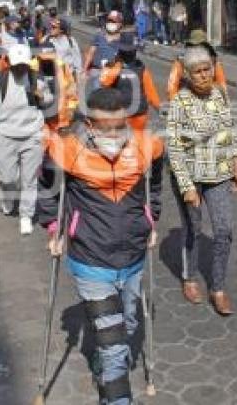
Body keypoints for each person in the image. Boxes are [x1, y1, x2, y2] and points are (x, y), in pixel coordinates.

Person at [39, 87, 164, 405]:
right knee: (114, 343)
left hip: (133, 254)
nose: (114, 134)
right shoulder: (65, 149)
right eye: (106, 128)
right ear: (90, 125)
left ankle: (104, 364)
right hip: (90, 256)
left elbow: (156, 184)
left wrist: (153, 219)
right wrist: (54, 228)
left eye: (119, 126)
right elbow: (47, 189)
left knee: (130, 322)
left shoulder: (146, 146)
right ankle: (117, 398)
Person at [167, 46, 237, 316]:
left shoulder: (220, 94)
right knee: (193, 228)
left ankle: (218, 287)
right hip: (190, 176)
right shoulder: (180, 102)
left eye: (206, 70)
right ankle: (189, 278)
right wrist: (187, 187)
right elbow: (174, 148)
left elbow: (229, 130)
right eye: (197, 72)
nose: (203, 76)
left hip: (219, 173)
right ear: (187, 75)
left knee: (224, 230)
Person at [0, 45, 46, 236]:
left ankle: (26, 215)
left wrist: (43, 97)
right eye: (17, 65)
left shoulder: (37, 79)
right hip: (7, 136)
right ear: (9, 63)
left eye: (24, 65)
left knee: (29, 180)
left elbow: (48, 100)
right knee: (7, 178)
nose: (21, 69)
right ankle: (8, 198)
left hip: (32, 136)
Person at [98, 39, 161, 131]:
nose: (129, 54)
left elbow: (150, 92)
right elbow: (104, 82)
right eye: (126, 51)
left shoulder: (141, 68)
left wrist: (159, 108)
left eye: (131, 51)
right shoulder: (112, 66)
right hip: (119, 114)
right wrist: (117, 65)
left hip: (138, 115)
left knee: (136, 141)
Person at [167, 29, 228, 100]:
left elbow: (222, 85)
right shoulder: (180, 62)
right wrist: (176, 104)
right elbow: (171, 87)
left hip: (210, 102)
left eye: (200, 46)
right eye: (194, 46)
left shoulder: (214, 62)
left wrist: (222, 102)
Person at [83, 10, 124, 76]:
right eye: (109, 21)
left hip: (113, 74)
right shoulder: (99, 35)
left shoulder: (123, 39)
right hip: (96, 70)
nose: (111, 23)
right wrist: (84, 70)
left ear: (120, 24)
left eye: (114, 21)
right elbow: (90, 53)